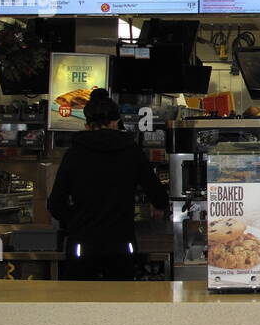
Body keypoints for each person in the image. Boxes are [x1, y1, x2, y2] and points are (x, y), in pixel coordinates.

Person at [48, 89, 169, 281]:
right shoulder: (131, 151)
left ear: (87, 124)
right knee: (120, 303)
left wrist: (77, 221)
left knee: (80, 302)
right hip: (121, 242)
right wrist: (159, 207)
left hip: (82, 242)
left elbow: (55, 204)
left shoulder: (74, 153)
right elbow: (158, 195)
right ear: (116, 121)